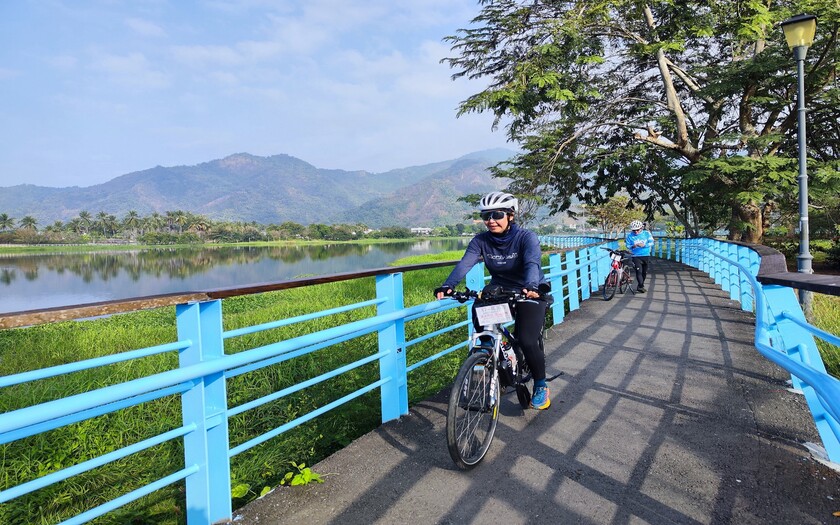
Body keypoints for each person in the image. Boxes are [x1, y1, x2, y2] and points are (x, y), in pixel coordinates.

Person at [434, 191, 552, 410]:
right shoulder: (481, 240)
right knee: (481, 307)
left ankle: (541, 385)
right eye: (486, 215)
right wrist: (449, 285)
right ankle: (489, 353)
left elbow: (532, 264)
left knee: (527, 340)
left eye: (497, 215)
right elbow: (465, 264)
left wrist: (532, 287)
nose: (491, 220)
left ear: (510, 216)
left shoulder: (526, 237)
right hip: (500, 290)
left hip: (530, 290)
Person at [625, 220, 654, 293]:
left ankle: (640, 286)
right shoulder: (630, 236)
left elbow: (652, 242)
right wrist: (633, 246)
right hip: (636, 256)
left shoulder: (647, 234)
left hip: (646, 255)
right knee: (639, 272)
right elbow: (628, 246)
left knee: (644, 272)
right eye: (634, 230)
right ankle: (641, 286)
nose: (636, 232)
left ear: (641, 228)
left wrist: (645, 245)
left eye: (637, 230)